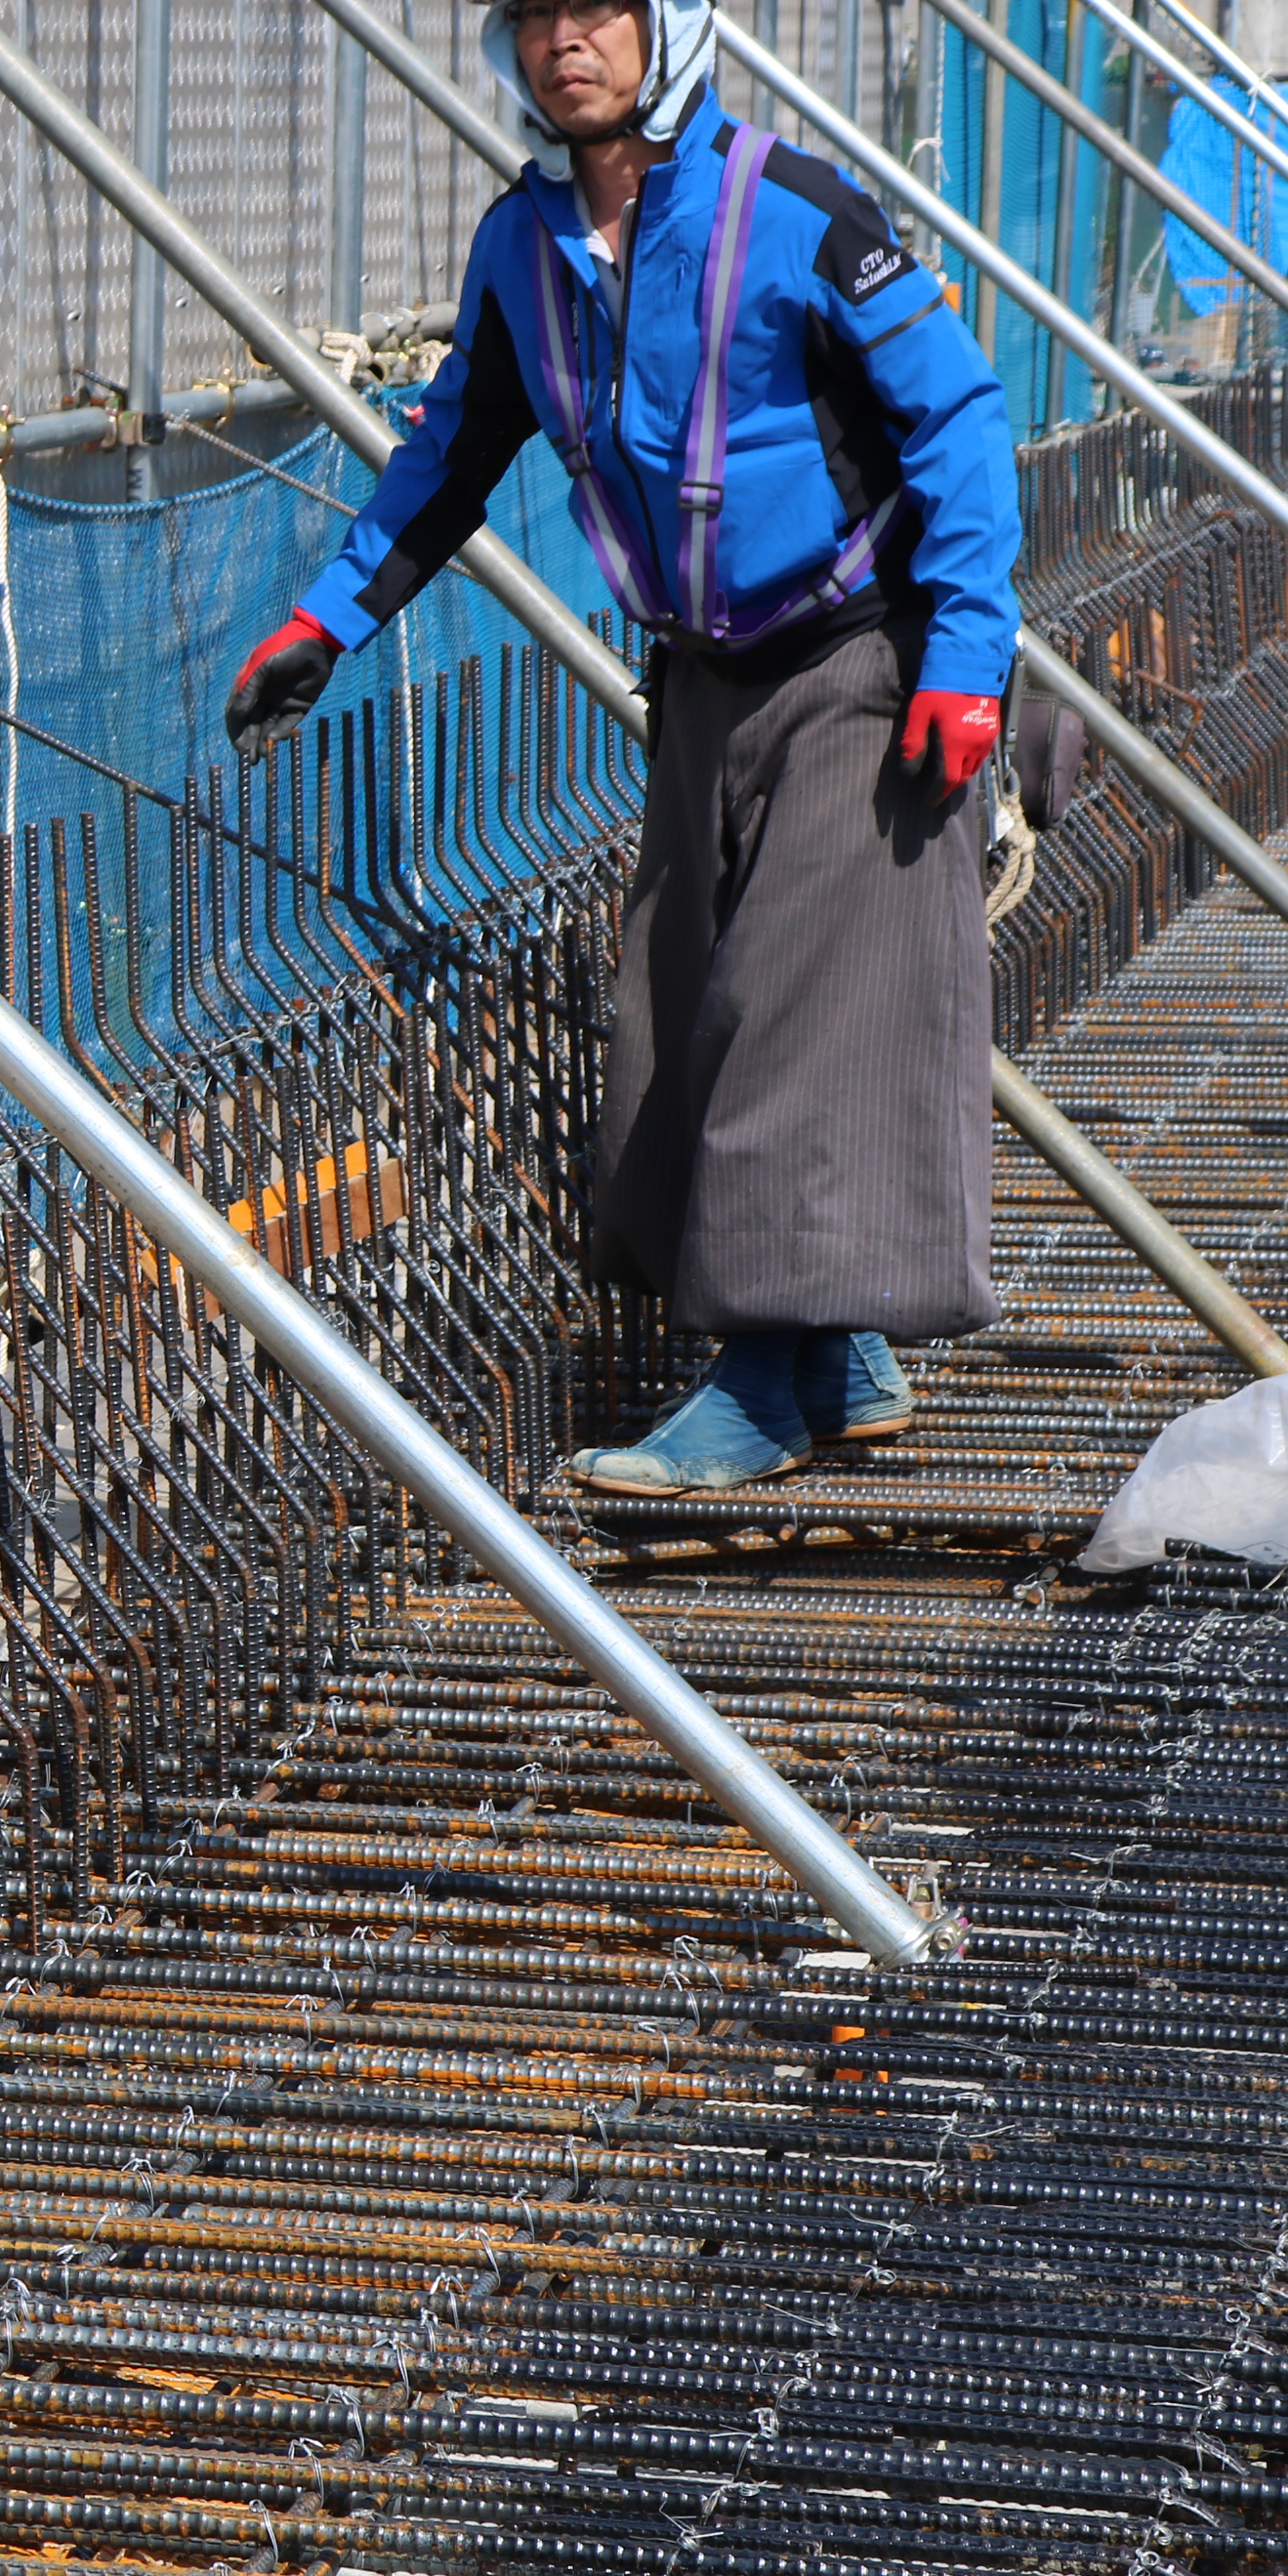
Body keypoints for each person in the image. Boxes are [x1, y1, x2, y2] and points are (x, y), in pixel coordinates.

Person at [223, 0, 1019, 1495]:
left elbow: (961, 425)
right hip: (706, 679)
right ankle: (833, 1357)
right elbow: (453, 448)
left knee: (794, 1004)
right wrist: (327, 620)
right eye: (533, 18)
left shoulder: (794, 209)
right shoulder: (524, 250)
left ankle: (765, 1387)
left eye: (596, 10)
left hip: (860, 659)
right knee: (669, 994)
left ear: (672, 27)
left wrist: (968, 661)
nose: (561, 43)